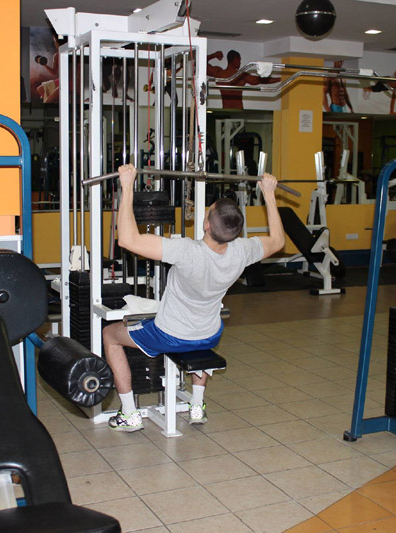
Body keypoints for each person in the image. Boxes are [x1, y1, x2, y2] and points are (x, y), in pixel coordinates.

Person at [102, 164, 285, 431]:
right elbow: (278, 241)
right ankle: (197, 407)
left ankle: (129, 413)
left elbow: (128, 240)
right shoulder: (243, 251)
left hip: (170, 335)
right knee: (200, 337)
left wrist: (127, 186)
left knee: (110, 334)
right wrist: (269, 194)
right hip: (210, 334)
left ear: (206, 225)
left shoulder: (186, 251)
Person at [206, 50, 280, 110]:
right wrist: (280, 79)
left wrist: (213, 55)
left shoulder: (219, 73)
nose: (240, 63)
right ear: (235, 60)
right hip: (238, 112)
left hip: (226, 111)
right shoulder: (242, 76)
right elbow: (260, 80)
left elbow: (202, 64)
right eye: (239, 60)